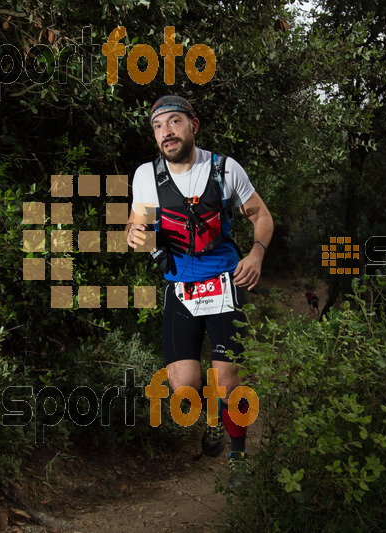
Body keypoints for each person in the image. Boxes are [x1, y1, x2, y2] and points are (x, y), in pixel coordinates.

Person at [125, 95, 273, 489]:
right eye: (158, 127)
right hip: (180, 286)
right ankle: (215, 417)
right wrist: (136, 235)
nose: (166, 132)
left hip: (226, 280)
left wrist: (256, 253)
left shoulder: (225, 169)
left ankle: (238, 459)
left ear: (193, 125)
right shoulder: (146, 175)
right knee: (184, 388)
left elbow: (261, 215)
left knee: (227, 379)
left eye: (173, 122)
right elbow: (134, 227)